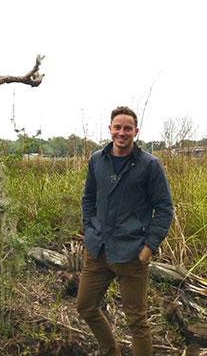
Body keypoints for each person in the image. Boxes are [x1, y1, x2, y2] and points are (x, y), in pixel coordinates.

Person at [76, 106, 173, 356]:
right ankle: (111, 352)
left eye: (127, 128)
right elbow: (88, 199)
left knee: (136, 320)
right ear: (110, 129)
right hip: (98, 250)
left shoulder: (150, 165)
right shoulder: (97, 159)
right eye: (117, 127)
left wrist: (148, 247)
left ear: (136, 131)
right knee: (86, 307)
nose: (122, 133)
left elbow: (164, 208)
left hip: (132, 254)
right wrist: (89, 231)